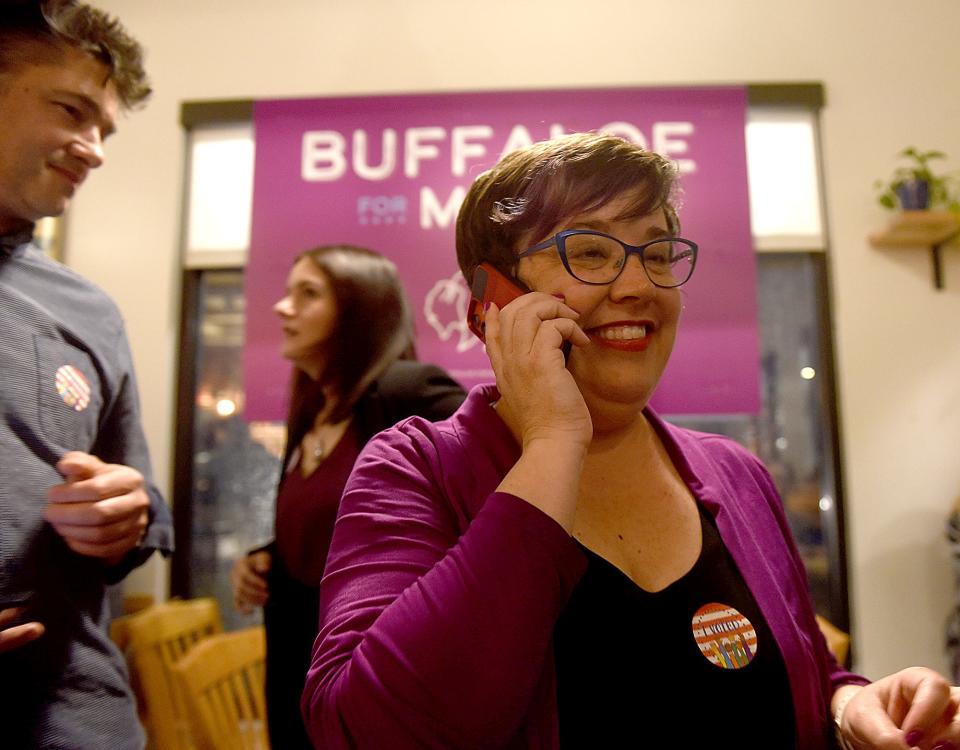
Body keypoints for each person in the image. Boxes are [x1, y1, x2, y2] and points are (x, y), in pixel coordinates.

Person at [301, 133, 960, 749]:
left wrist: (854, 708)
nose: (640, 284)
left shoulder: (737, 474)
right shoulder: (415, 468)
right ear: (491, 297)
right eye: (590, 251)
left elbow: (808, 672)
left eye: (655, 251)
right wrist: (554, 441)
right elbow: (363, 729)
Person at [0, 1, 173, 747]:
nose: (96, 149)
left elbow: (142, 506)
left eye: (105, 127)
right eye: (73, 110)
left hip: (75, 721)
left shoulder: (90, 310)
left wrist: (125, 517)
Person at [230, 244, 465, 749]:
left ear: (359, 310)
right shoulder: (312, 412)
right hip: (299, 675)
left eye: (307, 294)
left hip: (380, 683)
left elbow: (480, 508)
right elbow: (343, 527)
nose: (281, 307)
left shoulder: (408, 393)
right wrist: (269, 558)